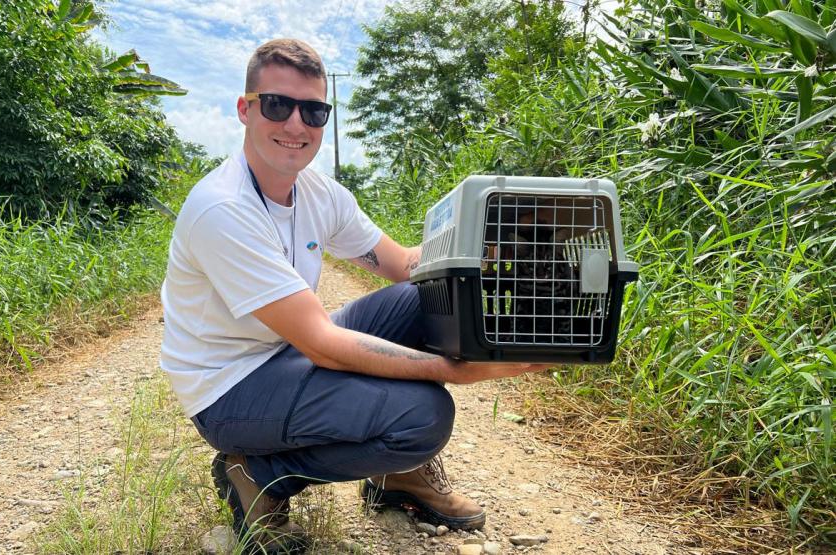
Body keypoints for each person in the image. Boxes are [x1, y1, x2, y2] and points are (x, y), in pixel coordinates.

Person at [160, 38, 548, 554]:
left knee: (424, 297)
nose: (297, 125)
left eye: (314, 111)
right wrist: (455, 370)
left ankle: (398, 477)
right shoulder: (223, 209)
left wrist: (494, 248)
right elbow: (322, 344)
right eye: (278, 105)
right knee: (423, 415)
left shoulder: (318, 192)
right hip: (230, 389)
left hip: (286, 353)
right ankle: (258, 471)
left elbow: (404, 266)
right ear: (245, 109)